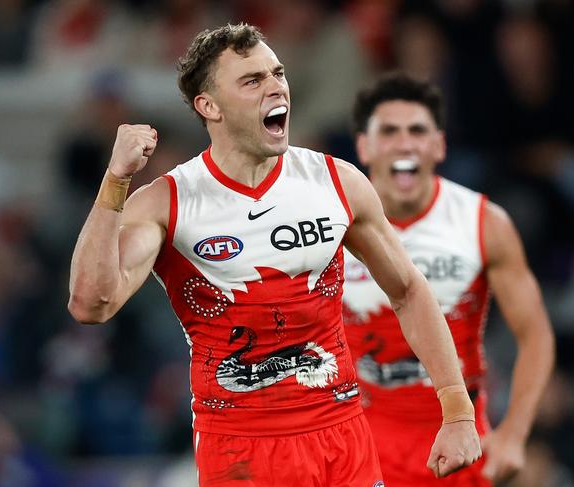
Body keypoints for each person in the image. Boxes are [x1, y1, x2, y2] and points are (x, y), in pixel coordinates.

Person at [68, 24, 481, 486]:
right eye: (252, 80)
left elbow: (408, 291)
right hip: (241, 451)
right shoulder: (170, 202)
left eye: (277, 74)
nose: (275, 87)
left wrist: (458, 411)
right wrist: (115, 182)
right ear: (210, 106)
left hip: (342, 439)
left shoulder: (335, 182)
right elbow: (91, 302)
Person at [342, 73, 555, 486]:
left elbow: (536, 334)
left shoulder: (483, 222)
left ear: (439, 145)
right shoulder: (332, 223)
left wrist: (514, 432)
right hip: (360, 440)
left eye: (417, 130)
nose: (404, 143)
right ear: (364, 147)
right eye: (389, 131)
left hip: (459, 441)